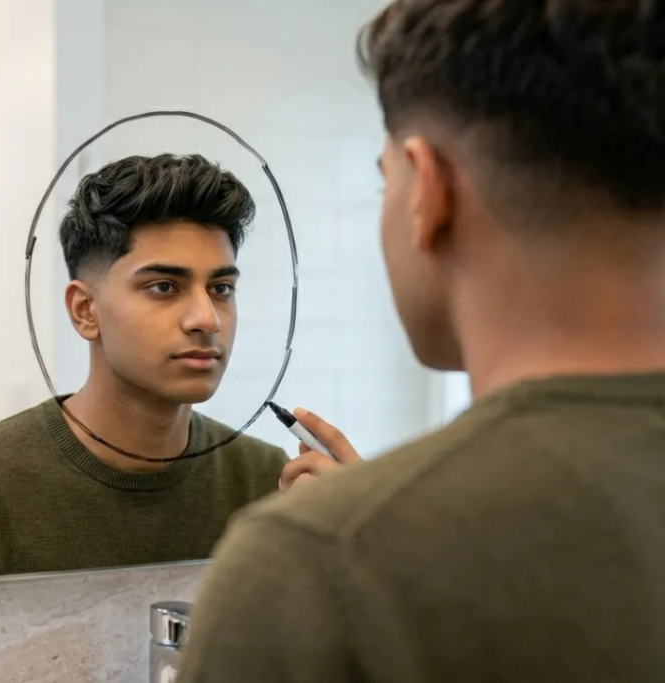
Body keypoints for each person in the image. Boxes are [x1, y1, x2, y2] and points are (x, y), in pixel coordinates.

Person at [179, 0, 665, 680]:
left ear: (426, 191)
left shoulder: (311, 566)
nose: (203, 317)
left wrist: (370, 533)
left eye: (385, 181)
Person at [0, 154, 288, 583]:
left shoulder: (268, 482)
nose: (207, 319)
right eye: (164, 287)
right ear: (85, 310)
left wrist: (347, 538)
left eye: (221, 288)